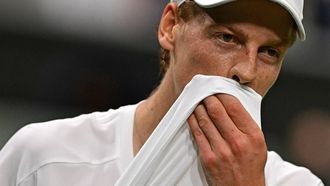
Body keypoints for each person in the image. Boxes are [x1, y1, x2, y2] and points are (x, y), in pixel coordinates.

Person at [0, 0, 324, 185]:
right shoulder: (44, 158)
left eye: (269, 51)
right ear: (170, 27)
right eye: (226, 38)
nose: (247, 71)